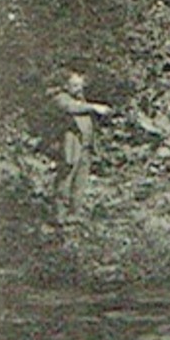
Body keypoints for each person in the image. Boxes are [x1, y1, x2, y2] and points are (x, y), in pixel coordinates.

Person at [49, 70, 112, 225]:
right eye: (75, 85)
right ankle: (59, 217)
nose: (79, 88)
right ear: (66, 85)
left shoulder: (80, 99)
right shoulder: (60, 98)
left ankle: (75, 214)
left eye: (80, 85)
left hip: (85, 147)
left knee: (80, 182)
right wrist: (94, 107)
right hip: (70, 148)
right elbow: (72, 108)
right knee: (65, 180)